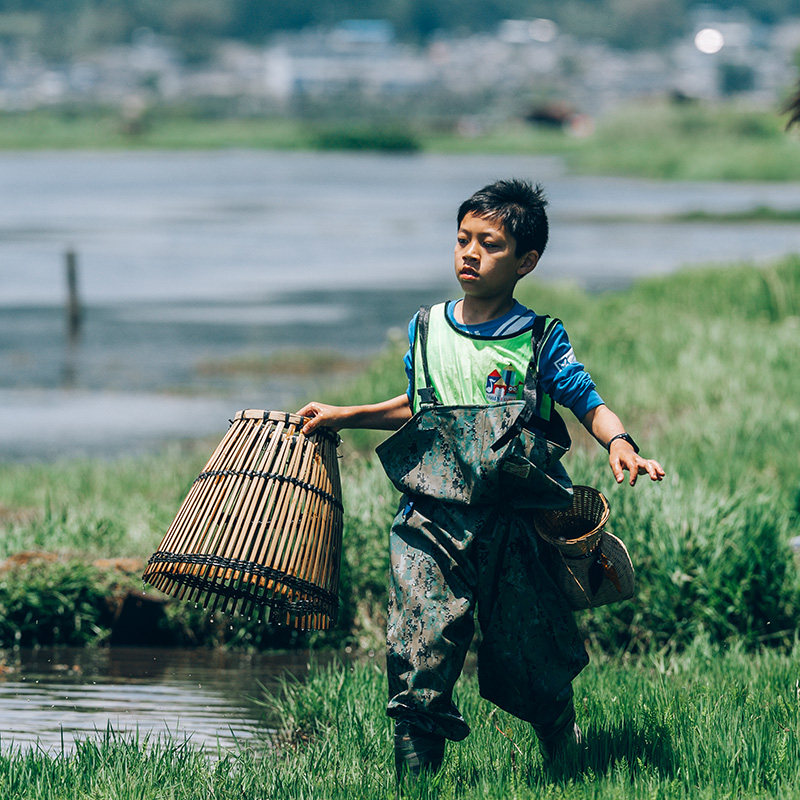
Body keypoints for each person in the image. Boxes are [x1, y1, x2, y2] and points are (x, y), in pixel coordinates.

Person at [297, 178, 664, 780]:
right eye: (463, 239)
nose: (469, 253)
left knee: (533, 656)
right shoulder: (428, 327)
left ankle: (564, 755)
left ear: (526, 261)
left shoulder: (539, 338)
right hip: (431, 520)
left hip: (517, 527)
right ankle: (415, 784)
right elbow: (420, 405)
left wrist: (620, 442)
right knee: (419, 646)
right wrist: (346, 415)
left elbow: (588, 402)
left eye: (489, 244)